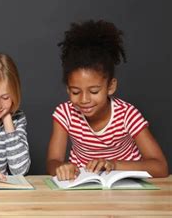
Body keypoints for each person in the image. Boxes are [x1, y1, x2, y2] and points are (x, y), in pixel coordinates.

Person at [46, 20, 168, 180]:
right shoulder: (65, 114)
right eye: (75, 92)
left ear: (110, 86)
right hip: (85, 188)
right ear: (68, 89)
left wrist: (114, 164)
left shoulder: (127, 114)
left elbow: (160, 167)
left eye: (94, 91)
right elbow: (52, 162)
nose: (84, 100)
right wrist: (61, 167)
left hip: (125, 189)